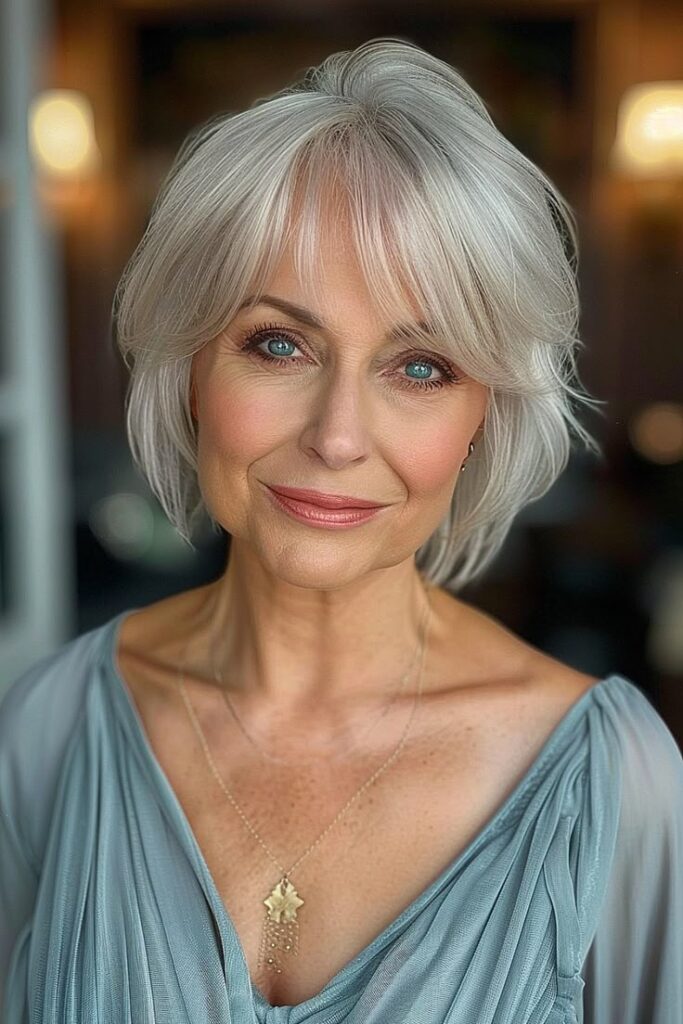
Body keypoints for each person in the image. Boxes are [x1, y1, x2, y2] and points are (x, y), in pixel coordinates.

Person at [1, 36, 681, 1024]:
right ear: (190, 366)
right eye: (277, 344)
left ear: (484, 411)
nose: (336, 435)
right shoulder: (48, 732)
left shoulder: (613, 785)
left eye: (419, 367)